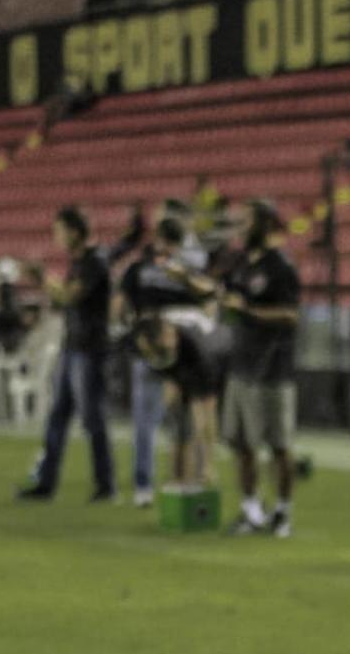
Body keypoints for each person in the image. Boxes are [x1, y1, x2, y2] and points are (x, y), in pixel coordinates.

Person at [214, 200, 302, 536]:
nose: (239, 226)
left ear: (264, 225)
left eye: (246, 220)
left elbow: (291, 315)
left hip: (272, 369)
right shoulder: (240, 265)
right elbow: (231, 299)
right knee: (241, 444)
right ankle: (251, 510)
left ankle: (282, 511)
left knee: (278, 444)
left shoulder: (280, 267)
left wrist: (248, 310)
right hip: (241, 366)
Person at [20, 207, 116, 502]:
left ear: (75, 231)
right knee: (57, 417)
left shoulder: (94, 262)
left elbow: (70, 295)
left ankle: (105, 485)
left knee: (92, 419)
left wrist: (42, 278)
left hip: (89, 350)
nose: (56, 236)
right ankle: (46, 483)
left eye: (60, 230)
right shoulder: (78, 262)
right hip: (72, 347)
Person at [115, 216, 210, 507]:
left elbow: (119, 307)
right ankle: (191, 482)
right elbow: (207, 300)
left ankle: (145, 487)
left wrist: (128, 329)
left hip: (149, 351)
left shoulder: (140, 267)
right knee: (185, 422)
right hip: (183, 352)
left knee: (146, 421)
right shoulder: (187, 270)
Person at [134, 314, 230, 487]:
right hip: (186, 358)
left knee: (202, 417)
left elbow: (206, 401)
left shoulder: (199, 348)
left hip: (214, 358)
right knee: (177, 416)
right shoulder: (153, 338)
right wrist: (170, 381)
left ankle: (206, 466)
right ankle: (179, 475)